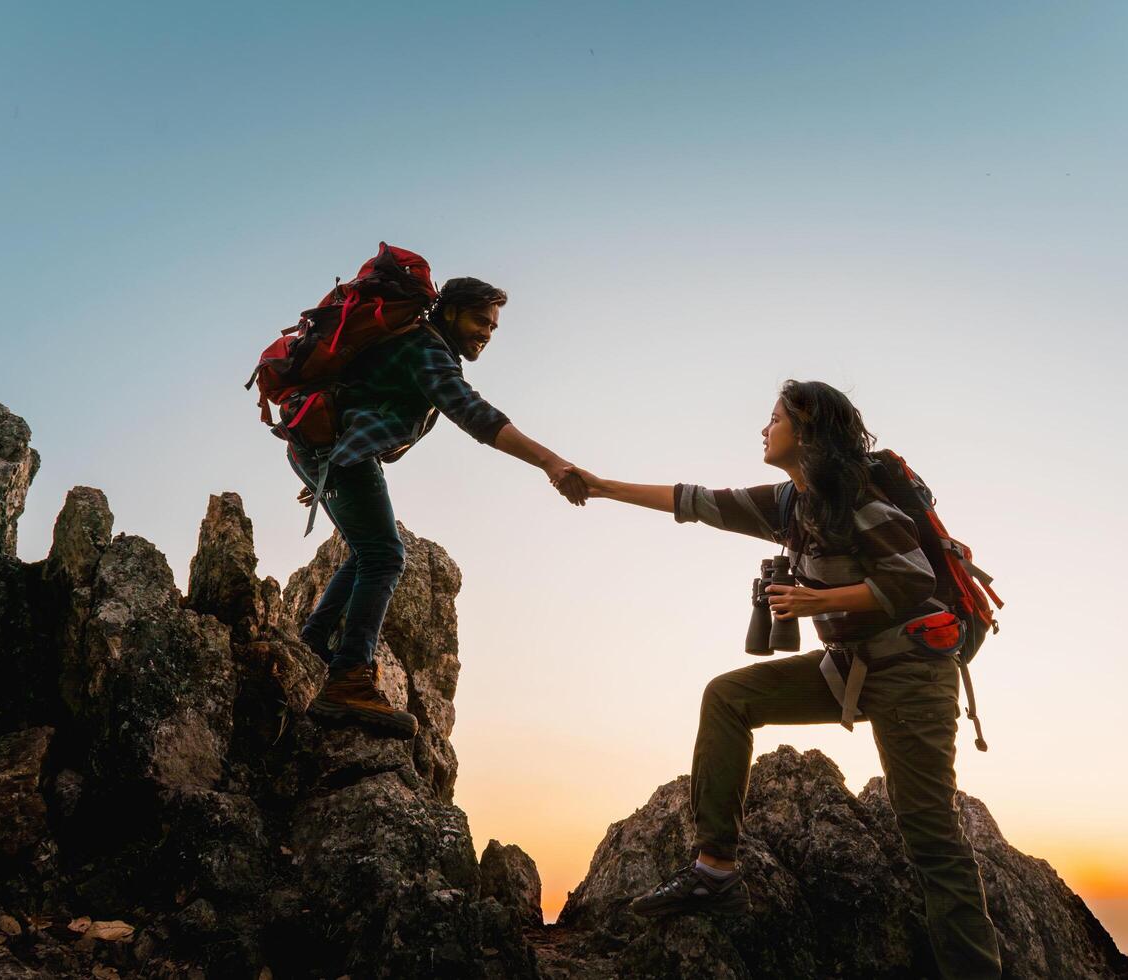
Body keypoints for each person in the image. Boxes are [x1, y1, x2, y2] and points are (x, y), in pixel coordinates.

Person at [570, 380, 1002, 980]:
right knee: (729, 697)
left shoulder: (859, 500)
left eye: (773, 419)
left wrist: (810, 599)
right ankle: (715, 871)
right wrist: (598, 485)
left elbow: (913, 579)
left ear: (807, 431)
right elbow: (692, 500)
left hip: (912, 674)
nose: (763, 430)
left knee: (931, 841)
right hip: (849, 666)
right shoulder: (786, 503)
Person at [291, 276, 585, 736]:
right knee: (385, 556)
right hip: (332, 454)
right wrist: (550, 461)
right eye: (479, 320)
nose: (487, 332)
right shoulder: (427, 350)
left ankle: (311, 642)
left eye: (493, 326)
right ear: (449, 313)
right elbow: (472, 412)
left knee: (367, 549)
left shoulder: (415, 344)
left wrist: (323, 466)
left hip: (324, 450)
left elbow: (366, 396)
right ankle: (348, 679)